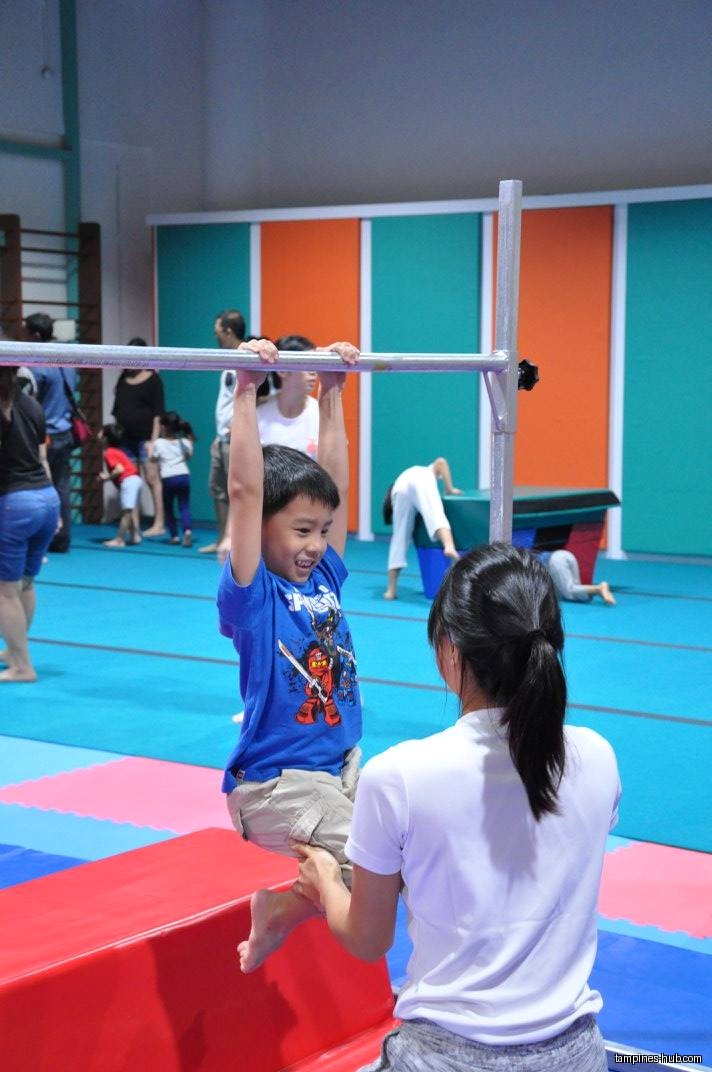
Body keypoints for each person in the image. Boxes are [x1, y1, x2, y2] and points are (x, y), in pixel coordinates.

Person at [296, 542, 620, 1072]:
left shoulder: (400, 775)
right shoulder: (598, 758)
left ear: (449, 649)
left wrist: (325, 881)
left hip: (445, 1059)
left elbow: (367, 938)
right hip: (577, 1055)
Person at [217, 336, 361, 974]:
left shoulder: (323, 575)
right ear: (264, 532)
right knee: (382, 869)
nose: (314, 545)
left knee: (425, 848)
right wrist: (247, 390)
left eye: (321, 532)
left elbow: (334, 485)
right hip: (274, 785)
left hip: (341, 767)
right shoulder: (256, 592)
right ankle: (294, 899)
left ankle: (281, 911)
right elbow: (247, 492)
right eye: (300, 531)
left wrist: (331, 396)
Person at [0, 365, 60, 682]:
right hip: (47, 498)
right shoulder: (31, 403)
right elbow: (42, 459)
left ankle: (22, 666)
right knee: (25, 583)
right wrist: (59, 512)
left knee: (4, 590)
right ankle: (15, 650)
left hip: (16, 503)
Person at [24, 312, 76, 553]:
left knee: (38, 488)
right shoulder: (68, 358)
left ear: (35, 335)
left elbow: (29, 399)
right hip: (65, 431)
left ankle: (41, 539)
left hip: (44, 435)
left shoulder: (38, 364)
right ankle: (62, 537)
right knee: (62, 486)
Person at [199, 310, 246, 554]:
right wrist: (219, 436)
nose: (215, 336)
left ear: (228, 332)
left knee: (236, 491)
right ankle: (222, 539)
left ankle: (236, 543)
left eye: (217, 332)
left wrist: (236, 426)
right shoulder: (228, 360)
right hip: (223, 438)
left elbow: (260, 397)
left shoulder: (246, 358)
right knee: (216, 489)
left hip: (236, 439)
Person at [382, 457, 462, 600]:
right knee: (434, 512)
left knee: (399, 537)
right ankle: (449, 545)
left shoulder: (401, 482)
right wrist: (449, 488)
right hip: (420, 481)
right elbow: (441, 461)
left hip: (400, 491)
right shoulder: (424, 471)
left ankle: (391, 590)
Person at [111, 341, 165, 537]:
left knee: (152, 480)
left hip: (145, 439)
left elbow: (158, 414)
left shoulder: (153, 380)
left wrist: (153, 440)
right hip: (126, 439)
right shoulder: (123, 378)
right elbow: (117, 408)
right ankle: (134, 525)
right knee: (129, 480)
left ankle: (159, 522)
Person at [256, 335, 319, 458]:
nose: (313, 371)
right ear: (282, 371)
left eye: (316, 363)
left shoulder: (321, 414)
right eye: (307, 363)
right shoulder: (258, 415)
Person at [149, 410, 195, 547]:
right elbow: (189, 456)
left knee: (168, 508)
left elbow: (152, 458)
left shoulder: (159, 443)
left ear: (162, 427)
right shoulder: (184, 442)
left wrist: (151, 447)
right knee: (184, 506)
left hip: (168, 478)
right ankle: (187, 531)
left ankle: (174, 535)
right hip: (183, 476)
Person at [97, 423, 143, 548]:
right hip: (136, 479)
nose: (98, 434)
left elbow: (119, 469)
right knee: (130, 509)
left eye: (101, 432)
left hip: (128, 480)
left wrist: (106, 478)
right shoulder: (117, 451)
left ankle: (120, 539)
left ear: (105, 438)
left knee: (126, 511)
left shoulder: (109, 452)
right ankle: (135, 536)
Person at [543, 549, 616, 605]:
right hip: (565, 555)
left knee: (569, 592)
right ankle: (599, 590)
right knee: (576, 592)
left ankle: (598, 589)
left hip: (556, 560)